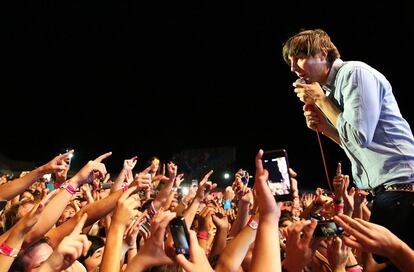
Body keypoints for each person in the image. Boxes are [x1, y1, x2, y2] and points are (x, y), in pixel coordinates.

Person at [282, 29, 414, 258]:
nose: (293, 67)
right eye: (290, 62)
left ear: (323, 53)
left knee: (383, 262)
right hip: (388, 193)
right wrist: (325, 129)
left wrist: (321, 100)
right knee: (380, 258)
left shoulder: (353, 73)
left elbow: (359, 135)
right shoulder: (332, 88)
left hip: (403, 190)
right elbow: (354, 143)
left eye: (299, 57)